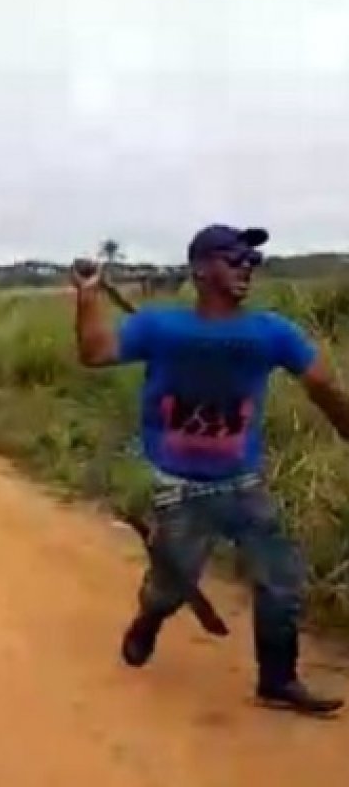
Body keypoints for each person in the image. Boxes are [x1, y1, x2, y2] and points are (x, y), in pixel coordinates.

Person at [72, 224, 348, 716]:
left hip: (243, 482)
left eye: (251, 260)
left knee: (281, 578)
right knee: (170, 588)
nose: (246, 266)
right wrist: (89, 296)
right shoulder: (160, 328)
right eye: (234, 257)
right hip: (178, 488)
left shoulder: (271, 333)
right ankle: (150, 618)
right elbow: (94, 353)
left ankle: (277, 680)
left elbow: (324, 385)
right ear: (200, 268)